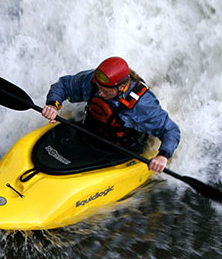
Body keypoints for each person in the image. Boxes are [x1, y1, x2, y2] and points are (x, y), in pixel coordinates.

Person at [41, 57, 180, 173]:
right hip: (89, 133)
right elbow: (64, 85)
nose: (99, 93)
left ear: (121, 87)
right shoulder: (95, 81)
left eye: (105, 91)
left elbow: (171, 130)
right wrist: (53, 104)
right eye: (99, 88)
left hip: (120, 151)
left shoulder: (143, 106)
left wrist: (163, 155)